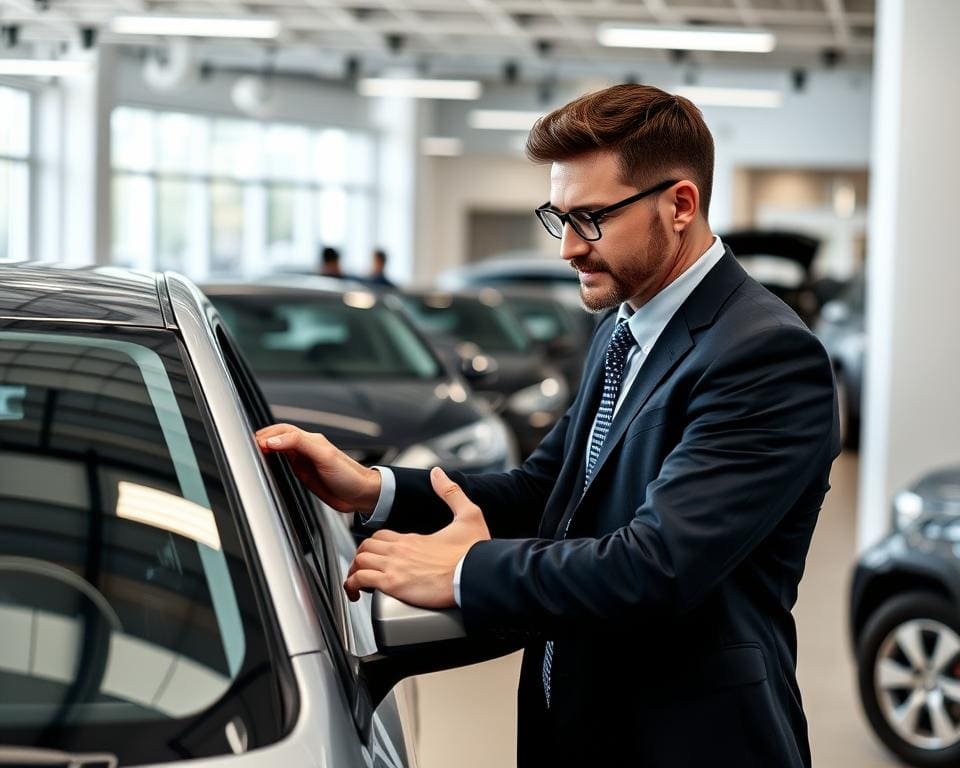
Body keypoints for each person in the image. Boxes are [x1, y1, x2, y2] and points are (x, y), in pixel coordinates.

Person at [257, 84, 839, 767]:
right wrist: (376, 489)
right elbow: (543, 490)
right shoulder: (625, 326)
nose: (567, 248)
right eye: (558, 217)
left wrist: (466, 570)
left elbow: (656, 567)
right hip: (581, 726)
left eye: (590, 218)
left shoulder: (765, 355)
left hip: (688, 740)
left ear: (680, 205)